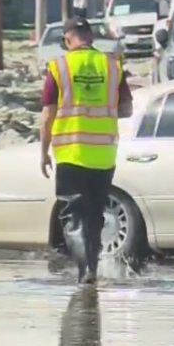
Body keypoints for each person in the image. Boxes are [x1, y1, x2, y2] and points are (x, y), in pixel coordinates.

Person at [40, 18, 133, 284]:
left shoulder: (59, 66)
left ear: (68, 40)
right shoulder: (112, 65)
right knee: (94, 215)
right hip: (103, 154)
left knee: (72, 214)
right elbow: (127, 109)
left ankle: (87, 270)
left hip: (70, 152)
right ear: (90, 37)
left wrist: (43, 151)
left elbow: (48, 114)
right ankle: (92, 265)